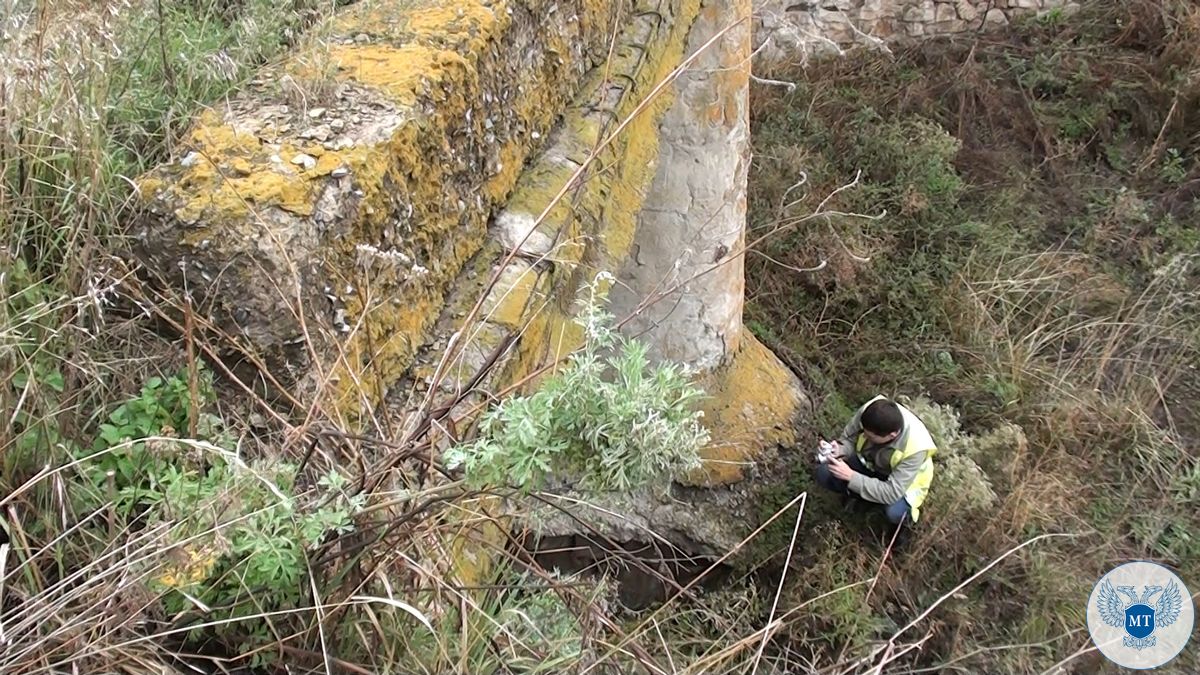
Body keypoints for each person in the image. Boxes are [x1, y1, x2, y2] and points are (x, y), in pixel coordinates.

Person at [815, 395, 937, 547]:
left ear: (892, 436)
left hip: (904, 485)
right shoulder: (870, 412)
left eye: (870, 436)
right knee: (825, 473)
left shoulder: (915, 448)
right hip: (874, 466)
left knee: (894, 511)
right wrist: (840, 449)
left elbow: (891, 493)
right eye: (864, 432)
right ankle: (862, 499)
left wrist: (851, 477)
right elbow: (850, 439)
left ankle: (901, 531)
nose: (864, 436)